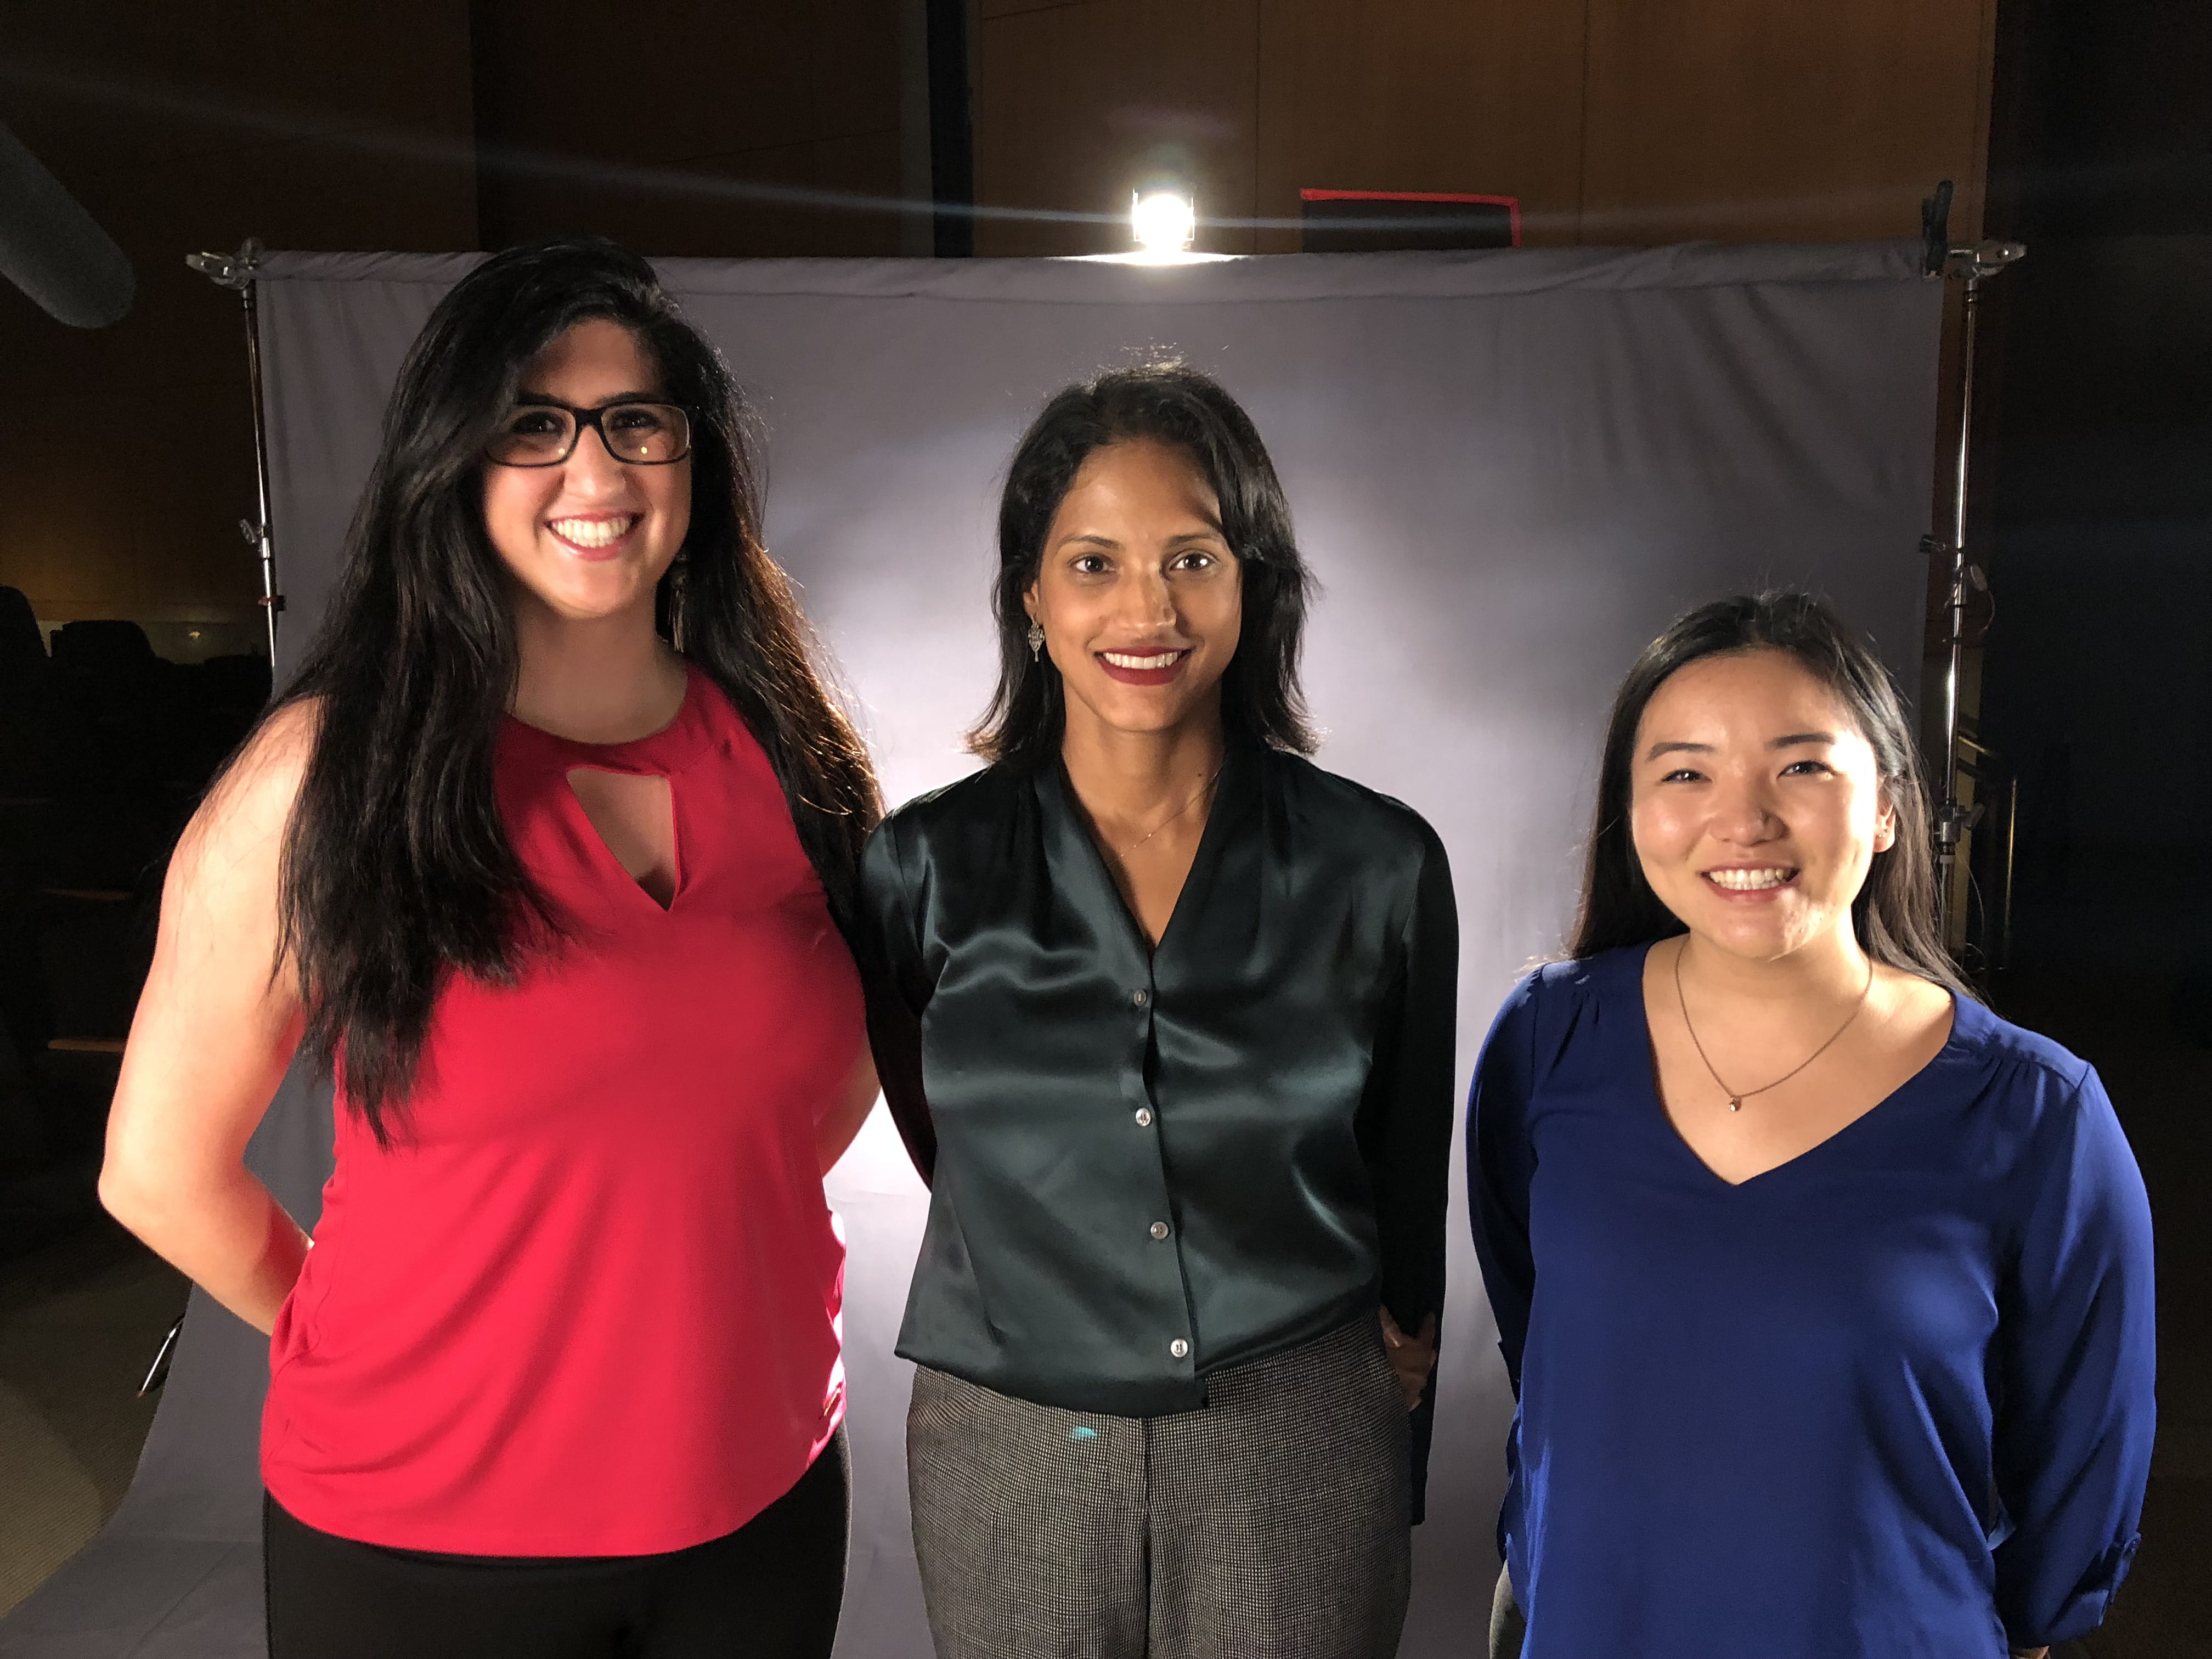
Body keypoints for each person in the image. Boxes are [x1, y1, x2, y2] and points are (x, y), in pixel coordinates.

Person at [98, 237, 881, 1659]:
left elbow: (817, 1084)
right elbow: (156, 1168)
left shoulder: (785, 752)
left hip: (758, 1505)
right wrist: (369, 1346)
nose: (597, 472)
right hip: (429, 1540)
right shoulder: (330, 776)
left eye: (637, 421)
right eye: (535, 425)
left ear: (695, 460)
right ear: (450, 465)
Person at [854, 361, 1458, 1659]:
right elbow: (923, 1099)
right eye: (1093, 564)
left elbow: (1411, 1146)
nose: (1148, 609)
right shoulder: (922, 866)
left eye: (1192, 559)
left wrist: (1402, 1346)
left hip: (1297, 1410)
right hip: (1009, 1426)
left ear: (1254, 583)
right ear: (1029, 592)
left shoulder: (1380, 864)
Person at [1469, 591, 2155, 1659]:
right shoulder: (1547, 1041)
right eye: (1686, 772)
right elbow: (1544, 1342)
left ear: (1888, 807)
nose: (1742, 820)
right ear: (1631, 810)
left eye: (1801, 766)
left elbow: (2076, 1473)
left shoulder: (2036, 1116)